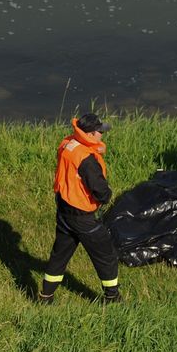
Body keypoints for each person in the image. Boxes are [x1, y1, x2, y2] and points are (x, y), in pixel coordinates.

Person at [40, 113, 121, 304]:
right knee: (106, 256)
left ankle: (45, 296)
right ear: (91, 134)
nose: (102, 134)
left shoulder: (68, 143)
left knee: (59, 255)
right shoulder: (87, 159)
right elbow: (100, 190)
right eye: (100, 131)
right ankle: (113, 298)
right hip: (83, 216)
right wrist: (107, 196)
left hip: (64, 209)